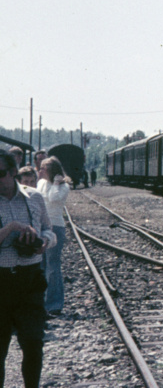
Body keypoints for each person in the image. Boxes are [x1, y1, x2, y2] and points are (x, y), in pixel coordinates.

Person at [0, 150, 55, 388]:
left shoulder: (34, 197)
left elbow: (49, 230)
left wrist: (43, 242)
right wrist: (11, 227)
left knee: (33, 343)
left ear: (13, 172)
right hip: (1, 283)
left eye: (0, 173)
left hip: (30, 281)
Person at [36, 157, 70, 317]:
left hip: (56, 227)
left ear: (51, 171)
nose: (39, 171)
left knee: (53, 266)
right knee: (41, 266)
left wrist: (56, 183)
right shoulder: (41, 183)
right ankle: (41, 303)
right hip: (41, 227)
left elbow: (53, 198)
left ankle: (54, 304)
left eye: (43, 168)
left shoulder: (64, 186)